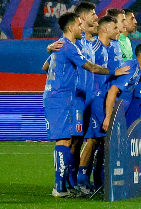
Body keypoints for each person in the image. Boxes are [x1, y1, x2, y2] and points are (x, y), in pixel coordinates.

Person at [43, 12, 129, 198]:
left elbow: (45, 67)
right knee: (66, 140)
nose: (81, 27)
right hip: (61, 98)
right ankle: (60, 186)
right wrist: (116, 71)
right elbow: (91, 67)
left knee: (70, 140)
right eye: (79, 24)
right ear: (72, 26)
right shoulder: (69, 46)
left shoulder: (63, 45)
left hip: (65, 97)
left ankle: (65, 184)